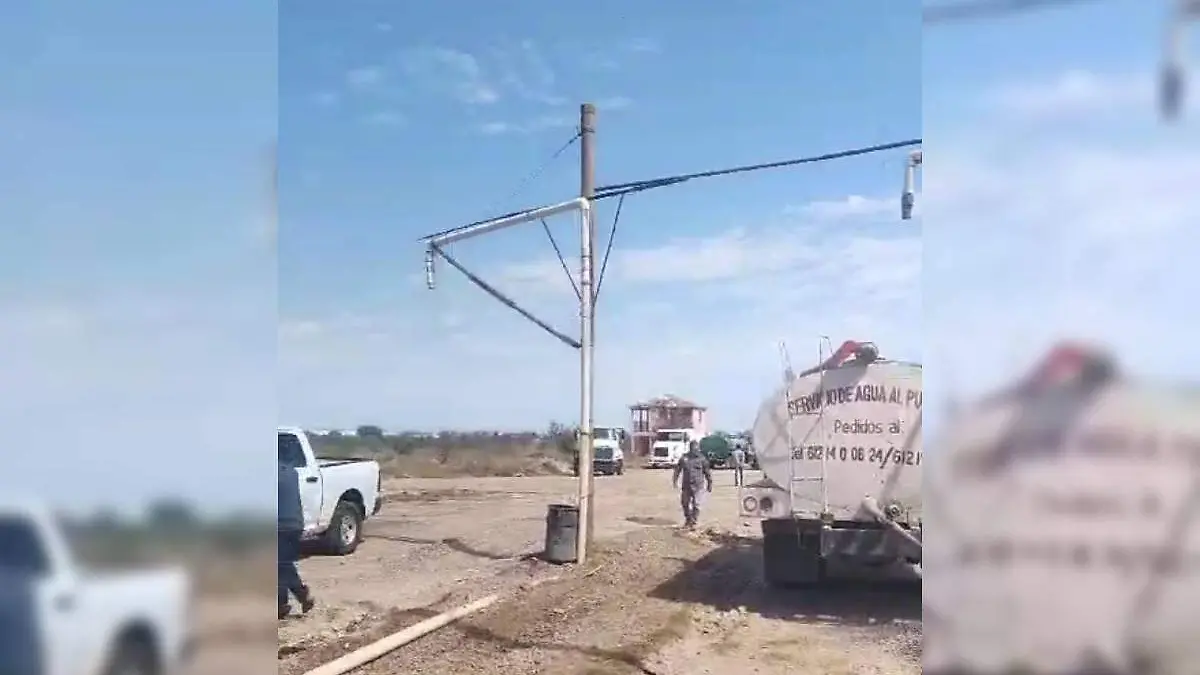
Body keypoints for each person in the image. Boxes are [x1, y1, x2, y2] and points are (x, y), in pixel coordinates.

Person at [278, 461, 315, 619]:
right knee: (281, 564)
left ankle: (301, 594)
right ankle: (281, 605)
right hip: (295, 523)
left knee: (281, 564)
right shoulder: (290, 471)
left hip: (280, 525)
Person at [672, 441, 713, 529]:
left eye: (696, 449)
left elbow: (707, 472)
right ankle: (688, 519)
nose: (694, 450)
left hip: (698, 486)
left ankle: (694, 521)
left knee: (696, 504)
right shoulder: (684, 458)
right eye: (692, 449)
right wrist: (675, 481)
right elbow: (677, 470)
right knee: (685, 503)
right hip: (686, 485)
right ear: (690, 449)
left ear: (698, 449)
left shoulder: (702, 459)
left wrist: (710, 483)